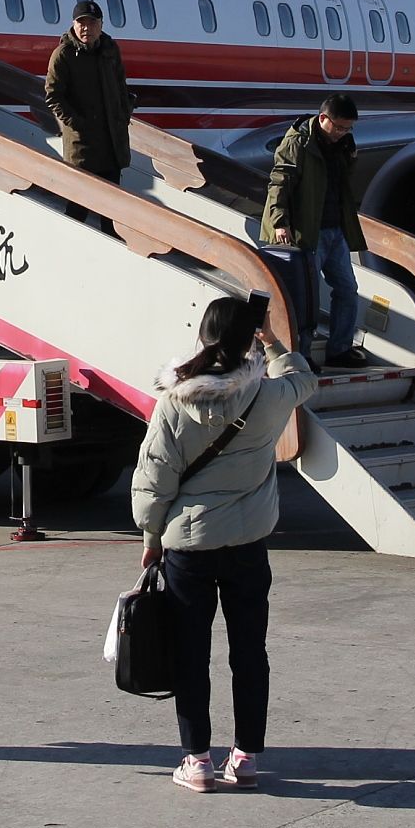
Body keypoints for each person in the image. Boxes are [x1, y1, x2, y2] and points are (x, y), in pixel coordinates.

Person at [130, 295, 317, 792]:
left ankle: (197, 761)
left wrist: (151, 537)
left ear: (204, 334)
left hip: (188, 548)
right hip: (248, 542)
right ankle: (247, 756)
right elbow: (306, 380)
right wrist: (274, 341)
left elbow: (155, 479)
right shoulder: (269, 396)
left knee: (190, 652)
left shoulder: (174, 402)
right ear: (248, 337)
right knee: (249, 650)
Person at [261, 94, 368, 369]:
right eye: (340, 127)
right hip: (305, 231)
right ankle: (302, 354)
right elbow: (279, 181)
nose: (344, 133)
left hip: (334, 229)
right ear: (323, 119)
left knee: (347, 289)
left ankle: (340, 349)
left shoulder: (343, 143)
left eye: (349, 128)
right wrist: (279, 221)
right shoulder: (298, 142)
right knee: (305, 296)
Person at [44, 0, 134, 206]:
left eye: (92, 23)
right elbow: (53, 96)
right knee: (79, 207)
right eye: (81, 23)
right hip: (83, 147)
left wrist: (123, 113)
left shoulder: (110, 51)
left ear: (101, 25)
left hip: (112, 143)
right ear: (73, 25)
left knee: (111, 208)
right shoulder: (63, 55)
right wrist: (79, 124)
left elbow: (121, 86)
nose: (86, 28)